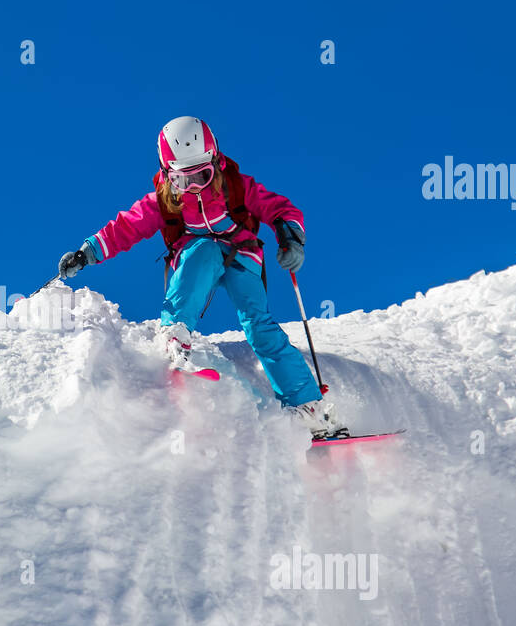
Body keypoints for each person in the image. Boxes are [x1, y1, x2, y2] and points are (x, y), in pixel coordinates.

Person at [57, 116, 343, 436]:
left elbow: (280, 209)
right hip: (198, 255)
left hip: (241, 254)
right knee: (203, 250)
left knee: (260, 325)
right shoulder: (164, 201)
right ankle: (175, 332)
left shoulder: (237, 187)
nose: (193, 187)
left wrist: (290, 237)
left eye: (202, 176)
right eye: (183, 180)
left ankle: (307, 406)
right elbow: (126, 226)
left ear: (216, 163)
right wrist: (87, 253)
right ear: (168, 175)